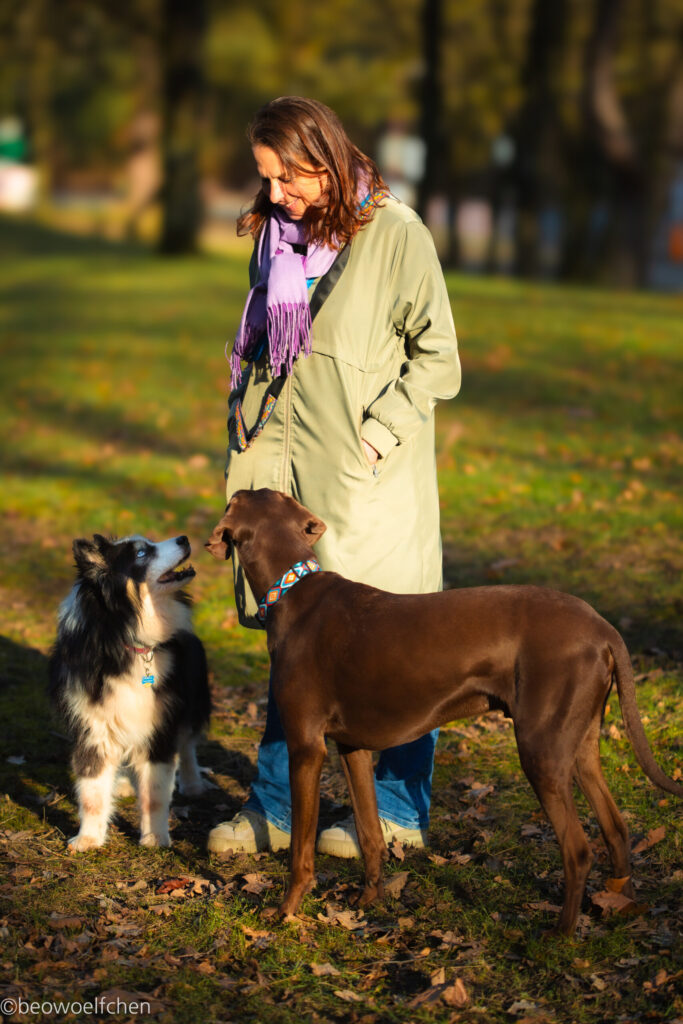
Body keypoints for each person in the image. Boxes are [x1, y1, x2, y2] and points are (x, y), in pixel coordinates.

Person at [208, 96, 461, 859]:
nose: (275, 193)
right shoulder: (273, 237)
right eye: (265, 177)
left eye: (288, 178)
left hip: (363, 480)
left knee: (402, 645)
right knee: (295, 643)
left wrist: (374, 438)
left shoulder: (397, 234)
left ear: (326, 160)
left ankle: (399, 812)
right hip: (284, 479)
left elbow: (438, 359)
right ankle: (277, 807)